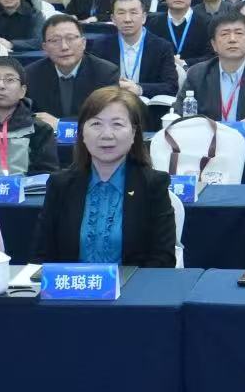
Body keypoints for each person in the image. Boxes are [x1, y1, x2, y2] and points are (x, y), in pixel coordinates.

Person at [31, 85, 178, 267]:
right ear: (82, 133)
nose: (106, 135)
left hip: (131, 285)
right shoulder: (60, 185)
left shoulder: (153, 185)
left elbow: (163, 260)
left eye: (117, 124)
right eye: (96, 124)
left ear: (134, 133)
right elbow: (41, 256)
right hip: (73, 284)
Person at [25, 13, 119, 132]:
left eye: (70, 38)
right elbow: (23, 116)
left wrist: (61, 124)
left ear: (83, 43)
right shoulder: (31, 74)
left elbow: (108, 117)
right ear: (45, 48)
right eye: (55, 40)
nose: (64, 47)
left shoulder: (105, 73)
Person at [102, 0, 176, 96]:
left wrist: (139, 89)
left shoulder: (162, 47)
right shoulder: (101, 47)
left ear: (144, 17)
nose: (127, 19)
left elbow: (171, 87)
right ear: (113, 19)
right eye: (121, 13)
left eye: (133, 13)